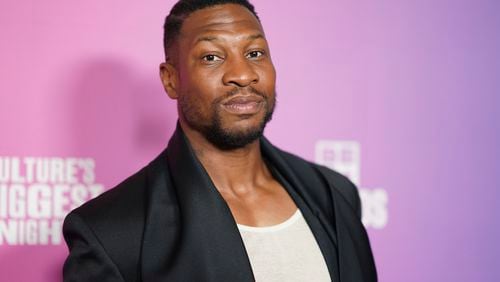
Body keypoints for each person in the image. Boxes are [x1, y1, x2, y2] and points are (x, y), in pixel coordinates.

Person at [62, 0, 377, 281]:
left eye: (254, 53)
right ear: (171, 79)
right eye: (212, 57)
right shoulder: (112, 233)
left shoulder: (335, 194)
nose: (242, 74)